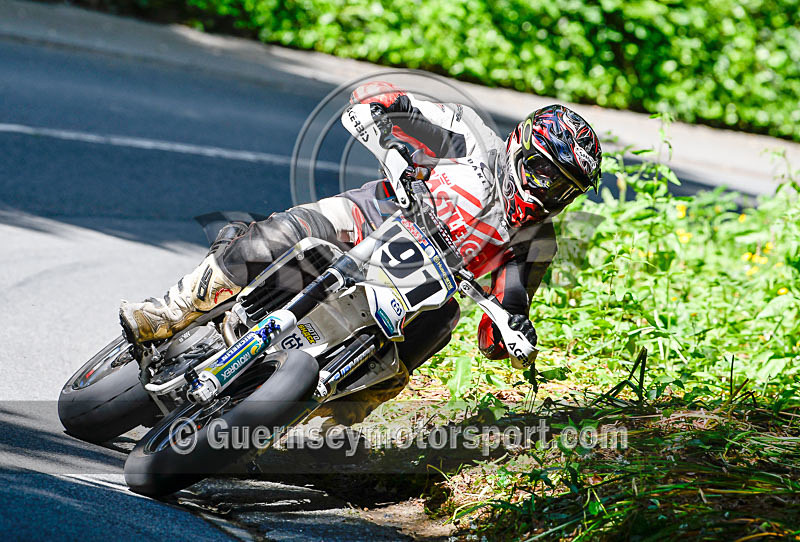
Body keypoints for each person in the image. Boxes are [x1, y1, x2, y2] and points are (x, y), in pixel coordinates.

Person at [119, 81, 602, 425]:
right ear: (521, 147)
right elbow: (375, 101)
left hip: (416, 295)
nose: (550, 191)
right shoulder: (469, 136)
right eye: (546, 172)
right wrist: (392, 147)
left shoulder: (535, 241)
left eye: (565, 188)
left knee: (442, 322)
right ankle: (169, 311)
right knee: (280, 235)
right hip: (365, 222)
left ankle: (324, 423)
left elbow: (505, 314)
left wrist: (515, 337)